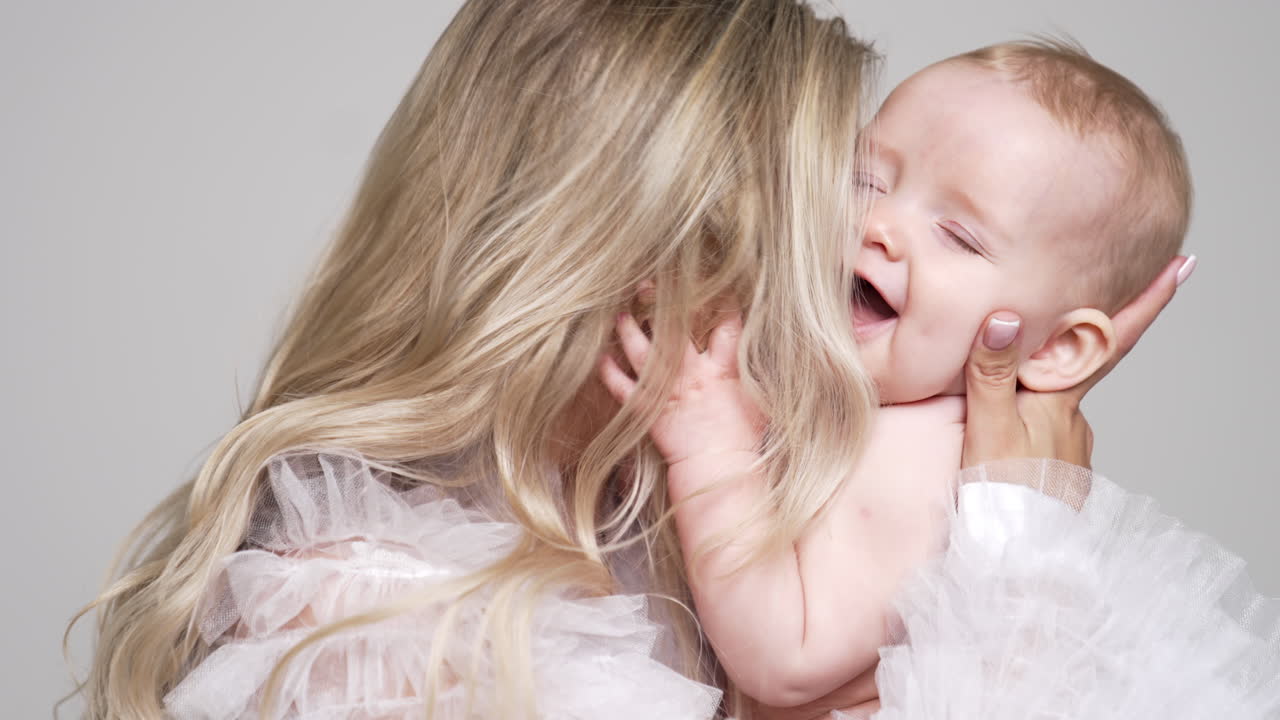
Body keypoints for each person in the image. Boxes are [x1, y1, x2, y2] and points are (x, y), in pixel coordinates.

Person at [67, 1, 882, 718]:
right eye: (825, 257)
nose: (852, 307)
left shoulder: (668, 545)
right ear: (664, 281)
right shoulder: (384, 628)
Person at [601, 40, 1279, 719]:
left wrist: (709, 446)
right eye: (865, 180)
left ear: (1058, 347)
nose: (879, 225)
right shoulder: (854, 395)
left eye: (957, 234)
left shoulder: (924, 463)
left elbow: (786, 660)